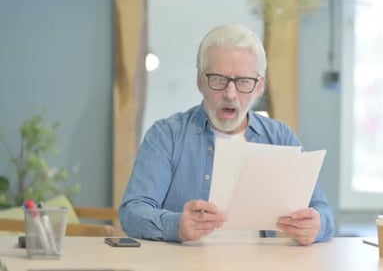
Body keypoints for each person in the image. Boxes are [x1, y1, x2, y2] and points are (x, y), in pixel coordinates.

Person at [119, 24, 335, 246]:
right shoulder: (165, 136)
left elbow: (324, 213)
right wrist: (177, 226)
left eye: (243, 82)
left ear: (259, 86)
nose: (230, 94)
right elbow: (132, 212)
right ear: (200, 81)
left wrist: (315, 226)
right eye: (219, 80)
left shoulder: (280, 137)